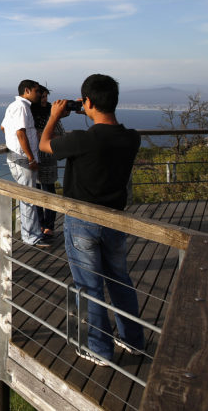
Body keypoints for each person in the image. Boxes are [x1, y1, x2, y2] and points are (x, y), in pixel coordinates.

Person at [39, 73, 144, 366]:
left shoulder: (82, 140)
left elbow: (45, 145)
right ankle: (133, 340)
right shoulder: (131, 138)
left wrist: (54, 115)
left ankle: (99, 350)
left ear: (88, 102)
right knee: (120, 280)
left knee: (89, 286)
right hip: (115, 219)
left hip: (82, 220)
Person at [1, 79, 49, 247]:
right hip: (23, 159)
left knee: (27, 197)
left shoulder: (13, 106)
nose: (39, 95)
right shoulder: (22, 107)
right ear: (27, 90)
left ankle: (31, 233)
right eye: (37, 92)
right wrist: (30, 157)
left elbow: (3, 128)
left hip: (15, 157)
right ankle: (31, 237)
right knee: (28, 198)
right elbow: (21, 133)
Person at [31, 86, 64, 236]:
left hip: (49, 157)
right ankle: (40, 224)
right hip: (36, 157)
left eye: (45, 96)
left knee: (49, 191)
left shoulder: (52, 114)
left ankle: (49, 225)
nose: (43, 99)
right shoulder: (31, 113)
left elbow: (61, 133)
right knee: (36, 193)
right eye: (41, 96)